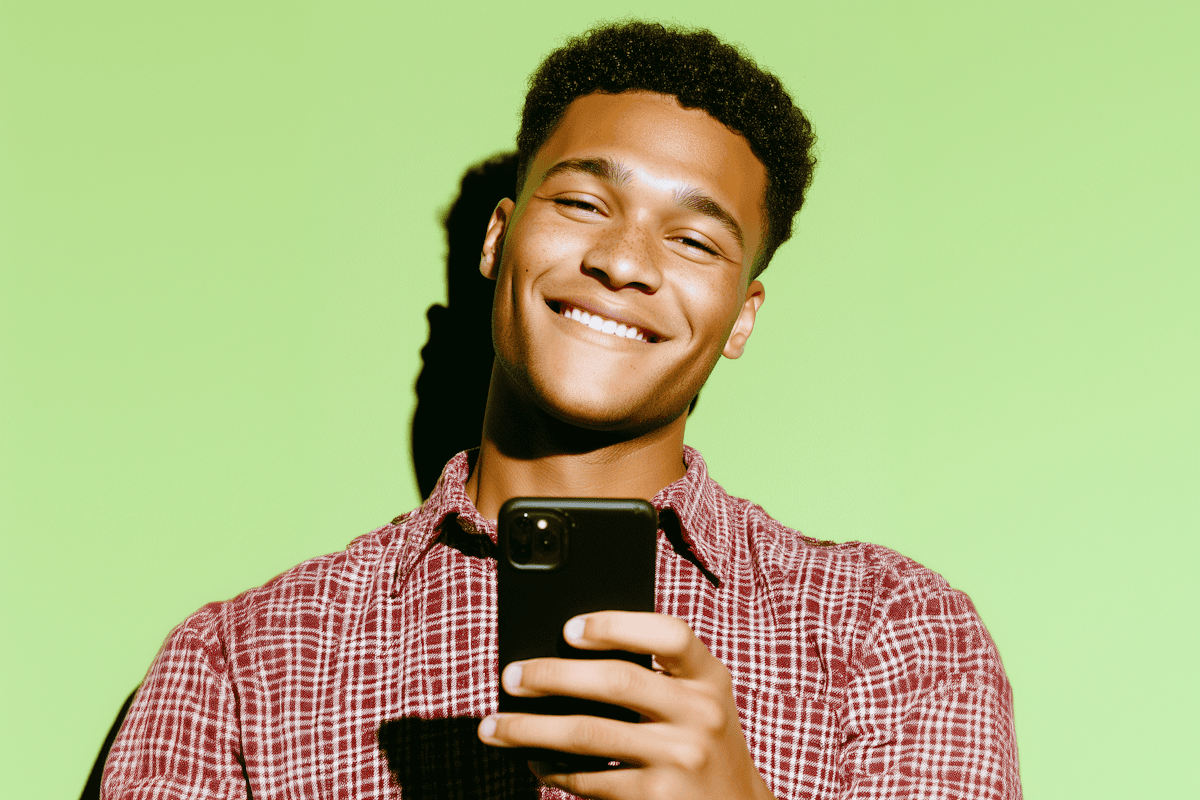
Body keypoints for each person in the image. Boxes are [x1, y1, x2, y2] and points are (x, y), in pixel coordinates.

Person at [102, 21, 1020, 800]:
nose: (623, 262)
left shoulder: (891, 638)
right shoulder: (244, 664)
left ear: (742, 316)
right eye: (584, 201)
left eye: (695, 239)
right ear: (500, 240)